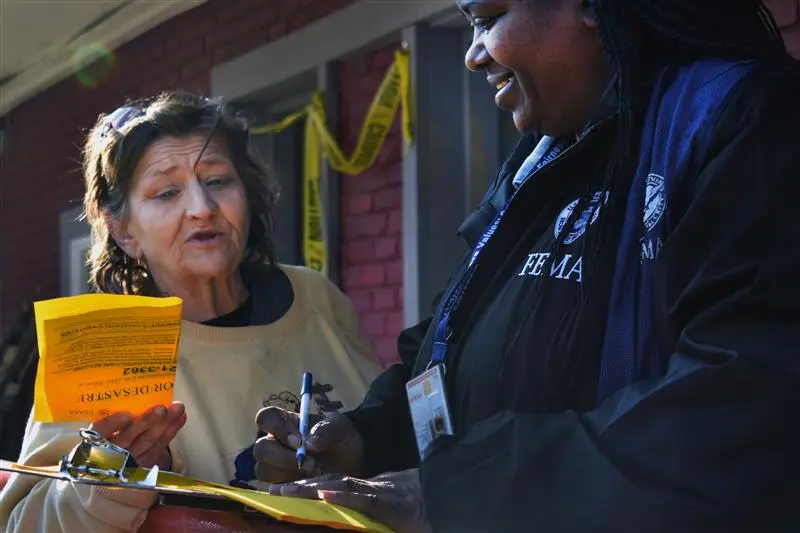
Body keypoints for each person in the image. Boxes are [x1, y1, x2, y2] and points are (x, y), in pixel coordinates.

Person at [251, 1, 800, 532]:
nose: (473, 55)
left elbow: (741, 410)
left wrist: (459, 493)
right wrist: (369, 440)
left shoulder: (743, 120)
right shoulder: (540, 157)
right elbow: (452, 343)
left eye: (488, 20)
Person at [0, 91, 382, 533]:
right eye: (166, 192)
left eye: (218, 180)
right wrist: (114, 478)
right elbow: (24, 523)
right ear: (123, 231)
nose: (202, 209)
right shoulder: (102, 345)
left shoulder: (316, 296)